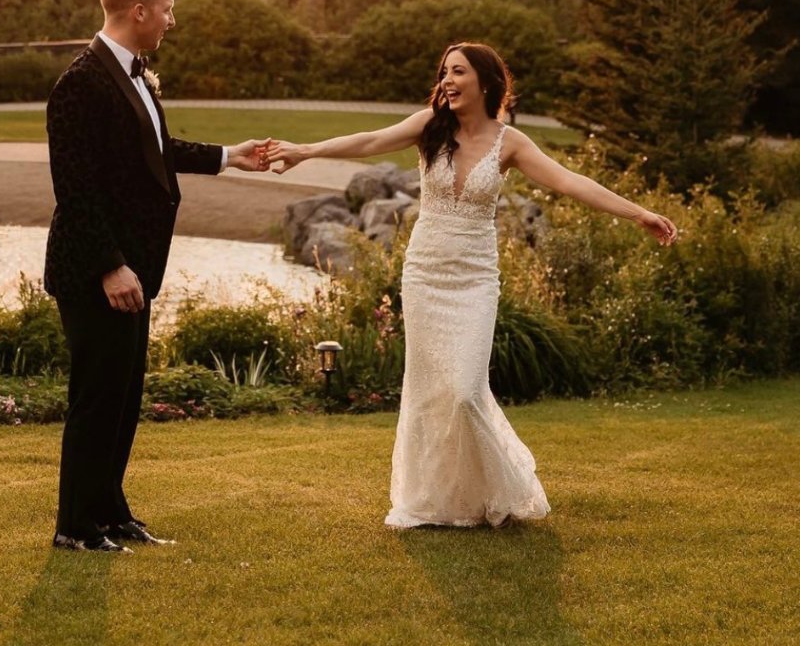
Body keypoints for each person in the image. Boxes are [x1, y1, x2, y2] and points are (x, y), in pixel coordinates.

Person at [267, 42, 678, 528]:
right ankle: (437, 502)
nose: (447, 80)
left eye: (457, 71)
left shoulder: (511, 143)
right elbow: (370, 140)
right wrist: (305, 150)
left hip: (475, 278)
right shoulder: (429, 127)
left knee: (464, 389)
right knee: (430, 390)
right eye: (443, 72)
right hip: (425, 273)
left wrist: (640, 213)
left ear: (485, 81)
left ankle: (502, 487)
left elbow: (570, 182)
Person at [43, 0, 270, 553]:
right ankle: (75, 525)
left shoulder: (135, 76)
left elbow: (155, 151)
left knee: (123, 396)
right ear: (138, 10)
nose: (173, 19)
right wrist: (110, 265)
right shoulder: (81, 83)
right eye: (167, 7)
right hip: (98, 272)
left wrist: (228, 156)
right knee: (97, 396)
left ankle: (111, 512)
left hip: (135, 269)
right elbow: (76, 189)